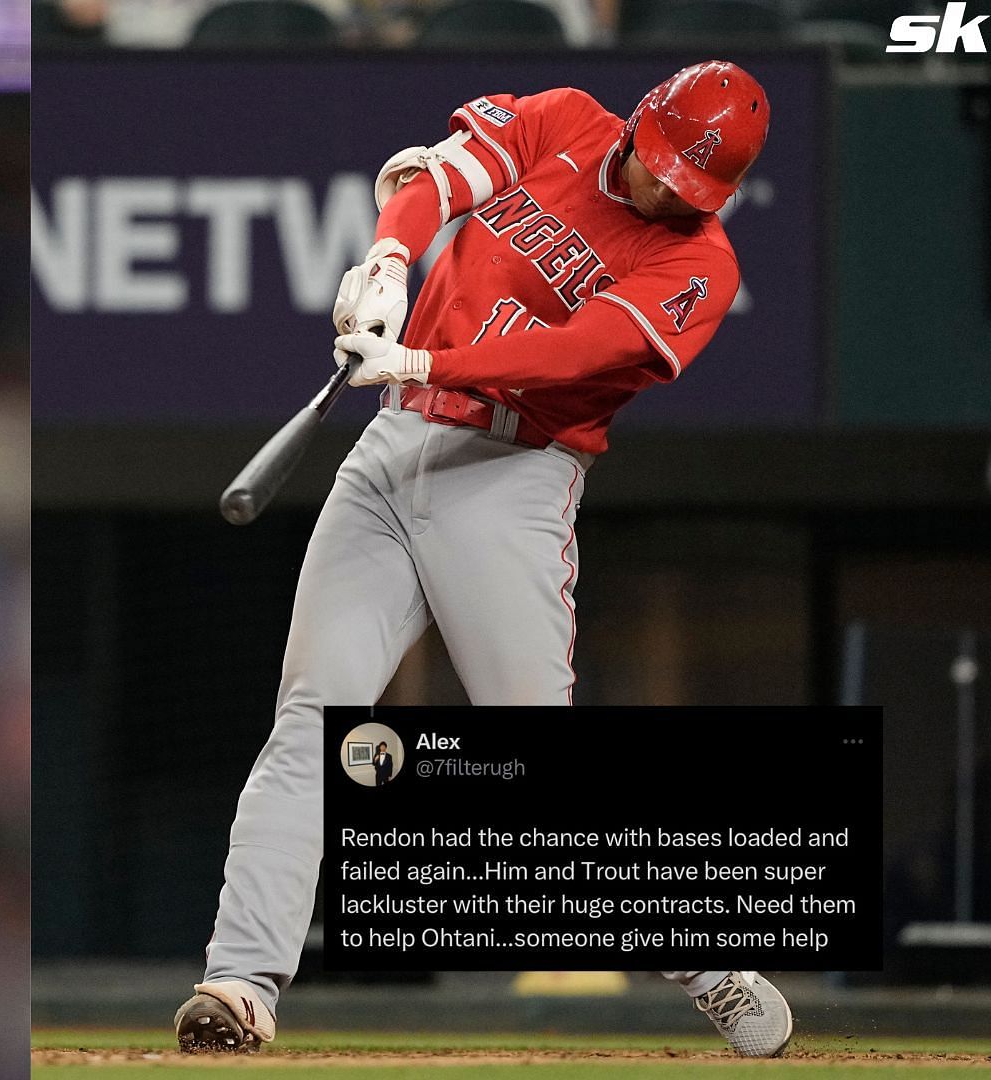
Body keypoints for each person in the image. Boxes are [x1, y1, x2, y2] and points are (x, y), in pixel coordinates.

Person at [173, 61, 791, 1059]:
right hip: (394, 446)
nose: (667, 192)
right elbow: (441, 179)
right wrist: (386, 263)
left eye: (691, 187)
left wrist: (425, 359)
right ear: (641, 124)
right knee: (310, 723)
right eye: (664, 169)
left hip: (510, 475)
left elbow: (574, 354)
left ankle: (705, 961)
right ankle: (241, 985)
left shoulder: (702, 266)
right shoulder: (565, 123)